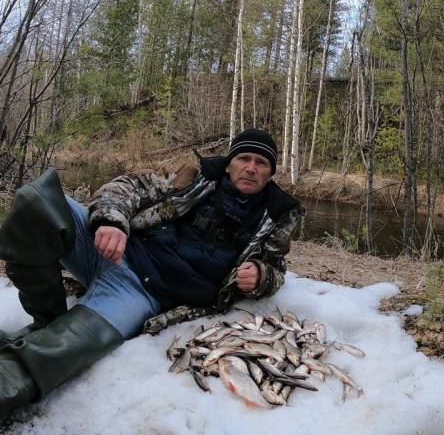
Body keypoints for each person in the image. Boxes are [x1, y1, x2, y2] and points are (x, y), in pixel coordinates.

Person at [0, 128, 302, 416]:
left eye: (261, 163)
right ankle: (47, 321)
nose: (251, 168)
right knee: (37, 200)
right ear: (228, 165)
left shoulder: (273, 220)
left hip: (139, 292)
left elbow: (276, 269)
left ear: (270, 173)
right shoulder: (193, 180)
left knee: (69, 347)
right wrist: (111, 221)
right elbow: (127, 188)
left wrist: (261, 276)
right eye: (243, 159)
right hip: (113, 250)